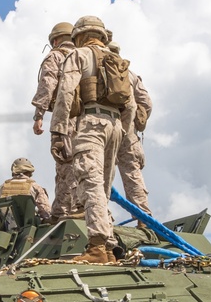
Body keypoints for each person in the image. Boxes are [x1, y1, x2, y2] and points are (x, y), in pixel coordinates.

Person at [50, 16, 137, 264]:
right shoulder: (119, 63)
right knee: (103, 189)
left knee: (90, 183)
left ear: (79, 36)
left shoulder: (79, 56)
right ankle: (109, 247)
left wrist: (58, 131)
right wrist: (123, 134)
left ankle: (97, 246)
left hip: (91, 124)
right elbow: (130, 106)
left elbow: (66, 93)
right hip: (116, 127)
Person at [30, 21, 81, 221]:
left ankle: (64, 212)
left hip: (65, 117)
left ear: (56, 40)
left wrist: (39, 115)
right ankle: (81, 206)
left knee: (65, 165)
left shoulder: (56, 56)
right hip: (89, 121)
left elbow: (47, 83)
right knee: (84, 163)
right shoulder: (83, 57)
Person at [108, 41, 154, 219]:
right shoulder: (131, 74)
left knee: (100, 175)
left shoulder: (94, 67)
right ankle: (144, 218)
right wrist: (134, 121)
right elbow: (147, 103)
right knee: (132, 175)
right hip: (128, 132)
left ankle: (103, 218)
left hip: (103, 128)